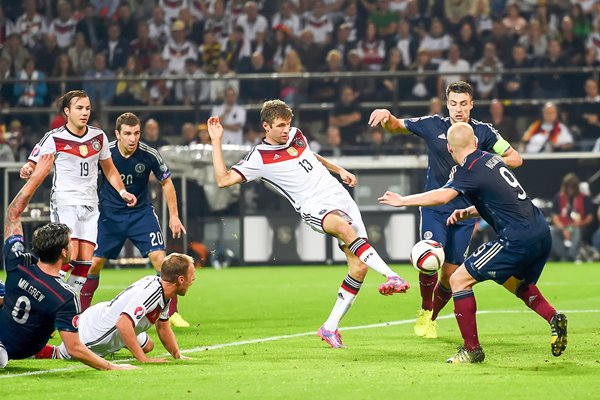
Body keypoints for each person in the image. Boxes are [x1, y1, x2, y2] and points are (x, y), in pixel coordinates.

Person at [207, 100, 410, 349]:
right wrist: (216, 141)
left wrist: (339, 170)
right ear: (266, 126)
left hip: (339, 196)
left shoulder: (295, 134)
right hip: (314, 206)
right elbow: (223, 180)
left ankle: (329, 328)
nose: (286, 129)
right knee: (346, 230)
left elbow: (309, 155)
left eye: (288, 124)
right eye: (280, 125)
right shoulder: (258, 158)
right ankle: (393, 276)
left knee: (358, 267)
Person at [378, 122, 567, 363]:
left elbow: (442, 196)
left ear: (449, 148)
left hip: (516, 238)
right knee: (513, 282)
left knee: (458, 279)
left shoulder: (467, 169)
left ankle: (472, 349)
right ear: (476, 143)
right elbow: (498, 200)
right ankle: (553, 318)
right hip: (541, 232)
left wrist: (403, 200)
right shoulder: (493, 160)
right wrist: (467, 212)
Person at [368, 81, 522, 340]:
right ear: (446, 103)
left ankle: (434, 317)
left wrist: (486, 163)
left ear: (472, 104)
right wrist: (387, 117)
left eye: (463, 103)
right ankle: (425, 310)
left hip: (464, 213)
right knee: (429, 258)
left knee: (450, 276)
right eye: (453, 103)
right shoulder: (433, 125)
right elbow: (395, 126)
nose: (458, 109)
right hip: (435, 207)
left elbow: (515, 158)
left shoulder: (483, 132)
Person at [0, 153, 134, 371]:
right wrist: (113, 367)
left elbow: (13, 214)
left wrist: (38, 177)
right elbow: (74, 348)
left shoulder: (18, 263)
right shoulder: (64, 296)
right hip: (9, 349)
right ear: (63, 252)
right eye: (70, 243)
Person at [19, 90, 137, 295]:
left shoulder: (98, 136)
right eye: (79, 108)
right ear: (67, 111)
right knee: (66, 255)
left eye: (88, 108)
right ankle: (37, 291)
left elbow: (109, 169)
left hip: (90, 205)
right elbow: (32, 162)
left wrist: (122, 191)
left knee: (85, 263)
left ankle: (67, 305)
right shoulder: (54, 137)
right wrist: (28, 168)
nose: (85, 112)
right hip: (65, 202)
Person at [79, 112, 189, 327]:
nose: (133, 138)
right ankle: (81, 315)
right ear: (117, 134)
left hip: (141, 215)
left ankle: (171, 313)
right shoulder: (104, 153)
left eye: (136, 133)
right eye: (128, 133)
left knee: (161, 260)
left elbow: (167, 183)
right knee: (93, 265)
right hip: (110, 216)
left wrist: (174, 216)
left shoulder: (149, 154)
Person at [36, 253, 195, 363]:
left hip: (105, 311)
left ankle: (120, 342)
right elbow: (123, 324)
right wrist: (143, 360)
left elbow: (163, 326)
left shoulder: (163, 289)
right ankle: (27, 347)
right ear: (180, 279)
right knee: (62, 354)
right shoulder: (153, 293)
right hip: (96, 330)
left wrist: (177, 355)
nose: (193, 279)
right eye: (191, 275)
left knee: (148, 346)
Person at [550, 173, 594, 262]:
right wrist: (563, 228)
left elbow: (589, 217)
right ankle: (564, 256)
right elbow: (554, 216)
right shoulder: (558, 198)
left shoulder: (584, 198)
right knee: (551, 231)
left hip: (579, 227)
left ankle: (571, 255)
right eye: (568, 187)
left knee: (577, 231)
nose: (570, 189)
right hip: (562, 227)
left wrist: (573, 227)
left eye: (573, 187)